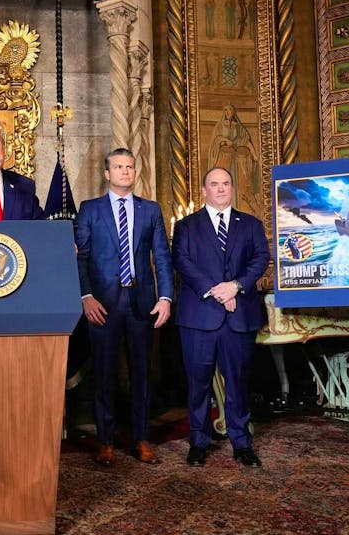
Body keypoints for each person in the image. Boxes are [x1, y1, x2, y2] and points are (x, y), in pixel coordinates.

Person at [75, 148, 173, 466]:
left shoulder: (150, 210)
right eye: (118, 166)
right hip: (102, 304)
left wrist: (165, 297)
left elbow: (161, 256)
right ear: (107, 173)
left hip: (141, 302)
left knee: (141, 374)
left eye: (130, 166)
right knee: (103, 374)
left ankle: (142, 439)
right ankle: (105, 442)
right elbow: (81, 257)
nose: (125, 171)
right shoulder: (90, 210)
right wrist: (86, 296)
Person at [172, 167, 269, 468]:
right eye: (214, 184)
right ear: (204, 190)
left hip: (239, 317)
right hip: (199, 318)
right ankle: (199, 442)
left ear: (232, 188)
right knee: (198, 384)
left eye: (226, 183)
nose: (221, 189)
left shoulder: (250, 224)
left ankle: (241, 443)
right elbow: (182, 261)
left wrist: (236, 287)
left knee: (238, 383)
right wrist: (216, 291)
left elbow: (261, 258)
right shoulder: (187, 226)